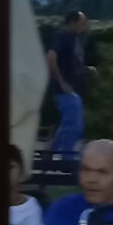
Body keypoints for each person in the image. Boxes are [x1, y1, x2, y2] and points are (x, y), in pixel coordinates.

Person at [47, 9, 90, 159]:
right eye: (82, 23)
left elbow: (72, 63)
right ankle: (66, 158)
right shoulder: (63, 36)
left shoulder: (73, 39)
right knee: (74, 126)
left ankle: (51, 152)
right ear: (72, 22)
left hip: (71, 89)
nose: (84, 26)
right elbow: (51, 58)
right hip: (64, 90)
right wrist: (62, 83)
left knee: (69, 124)